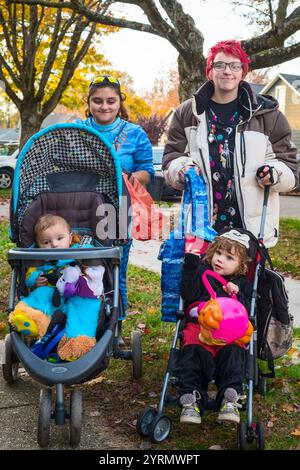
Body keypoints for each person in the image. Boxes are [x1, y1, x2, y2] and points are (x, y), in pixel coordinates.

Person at [162, 40, 298, 246]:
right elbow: (171, 158)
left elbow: (291, 169)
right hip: (202, 228)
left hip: (250, 231)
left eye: (235, 65)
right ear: (210, 71)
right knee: (202, 279)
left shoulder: (268, 115)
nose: (227, 71)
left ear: (243, 72)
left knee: (244, 280)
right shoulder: (186, 113)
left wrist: (274, 173)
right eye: (220, 65)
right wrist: (181, 168)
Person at [77, 75, 154, 340]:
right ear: (88, 103)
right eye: (97, 101)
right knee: (81, 263)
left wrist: (130, 177)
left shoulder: (134, 133)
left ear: (120, 102)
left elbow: (147, 170)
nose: (104, 106)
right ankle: (81, 320)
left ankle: (115, 326)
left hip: (118, 208)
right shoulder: (77, 129)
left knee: (114, 266)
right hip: (79, 207)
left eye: (111, 101)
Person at [179, 230, 253, 425]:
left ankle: (230, 397)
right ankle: (192, 397)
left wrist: (236, 295)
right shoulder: (203, 273)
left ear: (240, 266)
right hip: (200, 326)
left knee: (234, 354)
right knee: (193, 352)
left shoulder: (241, 284)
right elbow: (189, 293)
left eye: (229, 258)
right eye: (218, 253)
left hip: (229, 332)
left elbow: (244, 316)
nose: (221, 260)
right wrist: (190, 266)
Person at [9, 214, 105, 361]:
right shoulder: (41, 259)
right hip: (52, 292)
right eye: (46, 242)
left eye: (60, 238)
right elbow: (29, 275)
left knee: (85, 308)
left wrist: (86, 257)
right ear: (38, 244)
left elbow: (93, 261)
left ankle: (76, 343)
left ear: (70, 237)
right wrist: (35, 280)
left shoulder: (80, 250)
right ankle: (29, 317)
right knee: (40, 295)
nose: (54, 245)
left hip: (79, 293)